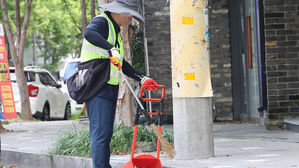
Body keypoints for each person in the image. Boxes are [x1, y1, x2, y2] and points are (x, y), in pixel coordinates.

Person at [80, 0, 159, 167]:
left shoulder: (115, 31)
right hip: (97, 87)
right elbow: (89, 33)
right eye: (129, 14)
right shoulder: (102, 22)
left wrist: (141, 77)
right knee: (101, 133)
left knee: (106, 133)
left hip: (108, 88)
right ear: (117, 12)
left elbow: (120, 63)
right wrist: (110, 48)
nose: (131, 18)